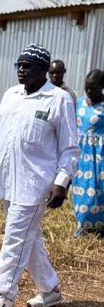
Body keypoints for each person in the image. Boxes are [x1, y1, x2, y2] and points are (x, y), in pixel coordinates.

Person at [0, 44, 79, 307]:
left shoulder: (59, 99)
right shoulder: (11, 96)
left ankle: (3, 295)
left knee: (15, 238)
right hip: (9, 179)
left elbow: (70, 148)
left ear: (44, 70)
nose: (22, 71)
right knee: (28, 237)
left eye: (28, 66)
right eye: (19, 65)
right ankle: (50, 290)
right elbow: (0, 139)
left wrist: (61, 182)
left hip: (37, 184)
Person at [71, 69, 104, 236]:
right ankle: (82, 225)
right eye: (87, 88)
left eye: (93, 88)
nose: (89, 92)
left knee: (98, 192)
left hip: (99, 156)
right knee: (80, 190)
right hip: (81, 154)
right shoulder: (80, 103)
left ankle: (99, 227)